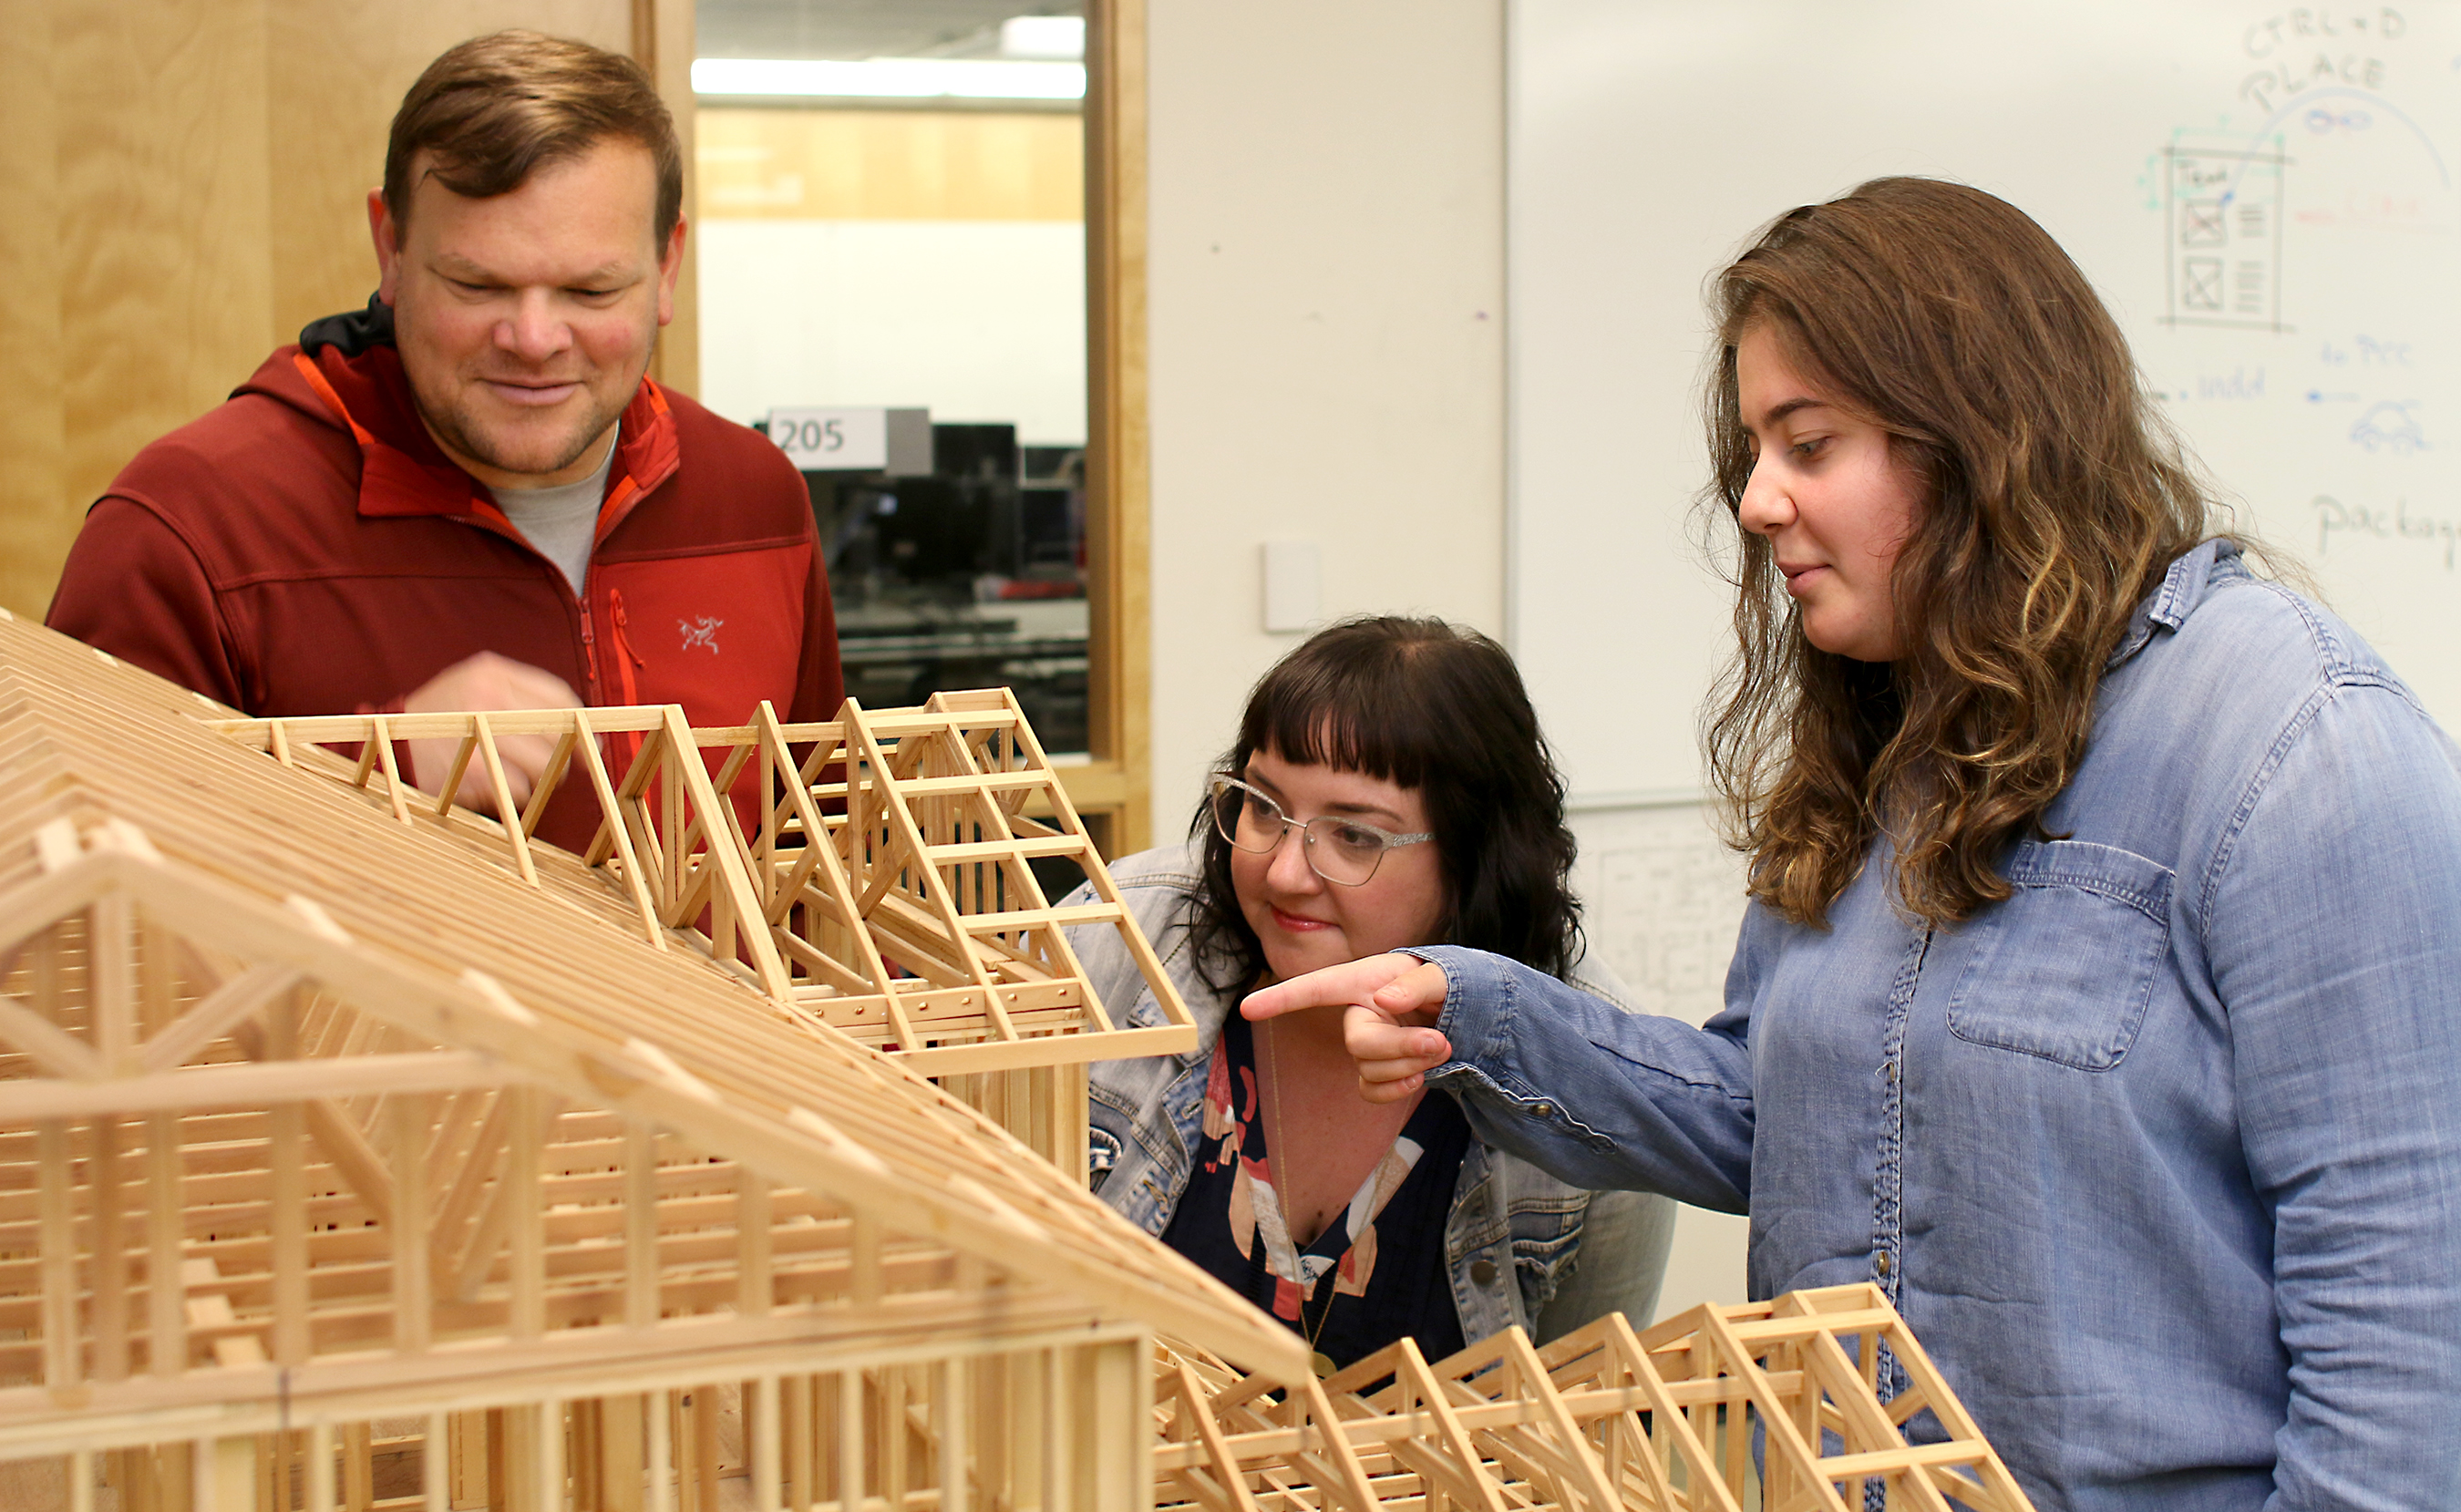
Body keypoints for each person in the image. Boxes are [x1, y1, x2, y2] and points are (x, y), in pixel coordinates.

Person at [1249, 180, 2461, 1507]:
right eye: (1757, 450)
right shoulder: (1891, 743)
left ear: (1982, 437)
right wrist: (1467, 1007)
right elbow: (1782, 1115)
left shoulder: (2299, 743)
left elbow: (2407, 1315)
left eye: (1809, 444)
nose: (1760, 500)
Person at [46, 31, 840, 851]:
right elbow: (67, 889)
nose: (534, 338)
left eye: (590, 289)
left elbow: (827, 864)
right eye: (477, 283)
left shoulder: (755, 494)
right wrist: (369, 761)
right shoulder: (191, 524)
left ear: (667, 266)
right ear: (389, 248)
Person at [1068, 617, 1673, 1378]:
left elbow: (1571, 1427)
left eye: (1353, 834)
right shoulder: (1120, 936)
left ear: (1473, 856)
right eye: (1263, 807)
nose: (1286, 870)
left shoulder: (1590, 1070)